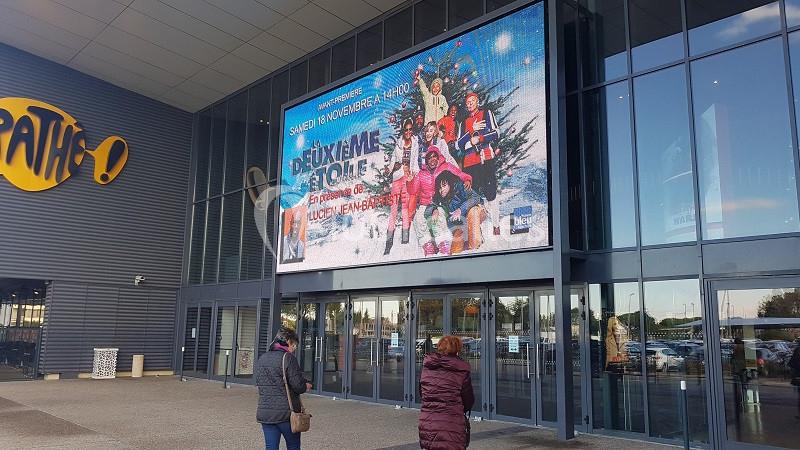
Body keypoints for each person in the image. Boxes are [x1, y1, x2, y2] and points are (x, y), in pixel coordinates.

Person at [255, 327, 313, 450]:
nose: (293, 349)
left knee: (271, 447)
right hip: (286, 414)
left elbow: (259, 382)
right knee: (293, 446)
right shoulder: (288, 358)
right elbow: (298, 386)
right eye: (293, 345)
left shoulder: (262, 358)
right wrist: (306, 385)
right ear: (287, 341)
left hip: (266, 413)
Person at [407, 148, 471, 256]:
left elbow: (459, 174)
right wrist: (410, 181)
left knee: (438, 216)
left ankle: (443, 244)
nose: (432, 159)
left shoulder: (446, 167)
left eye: (434, 156)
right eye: (429, 158)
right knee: (418, 218)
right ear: (426, 161)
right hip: (425, 203)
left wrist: (467, 179)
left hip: (441, 201)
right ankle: (428, 246)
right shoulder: (421, 174)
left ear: (438, 157)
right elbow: (413, 191)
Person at [456, 92, 501, 236]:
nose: (470, 104)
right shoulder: (463, 123)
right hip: (469, 164)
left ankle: (496, 226)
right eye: (467, 102)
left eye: (472, 101)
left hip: (485, 159)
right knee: (472, 197)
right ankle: (476, 231)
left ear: (477, 101)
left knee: (491, 193)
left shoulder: (486, 113)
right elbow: (458, 145)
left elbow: (496, 133)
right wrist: (471, 131)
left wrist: (480, 138)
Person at [418, 335, 474, 450]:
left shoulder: (427, 367)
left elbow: (422, 393)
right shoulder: (461, 370)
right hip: (451, 424)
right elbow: (468, 400)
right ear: (457, 349)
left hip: (428, 422)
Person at [384, 118, 420, 254]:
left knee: (405, 208)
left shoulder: (415, 144)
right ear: (403, 130)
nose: (408, 132)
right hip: (396, 179)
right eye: (406, 129)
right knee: (393, 208)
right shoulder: (399, 144)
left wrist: (413, 174)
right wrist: (390, 168)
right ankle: (389, 240)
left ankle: (405, 239)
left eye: (411, 129)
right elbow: (393, 159)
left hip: (407, 179)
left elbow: (415, 163)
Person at [429, 170, 486, 254]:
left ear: (450, 183)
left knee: (472, 212)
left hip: (478, 211)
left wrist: (460, 209)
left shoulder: (461, 186)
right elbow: (429, 206)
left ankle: (475, 250)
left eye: (444, 186)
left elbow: (475, 198)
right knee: (455, 252)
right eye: (439, 188)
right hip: (461, 223)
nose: (442, 190)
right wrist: (434, 210)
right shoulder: (440, 197)